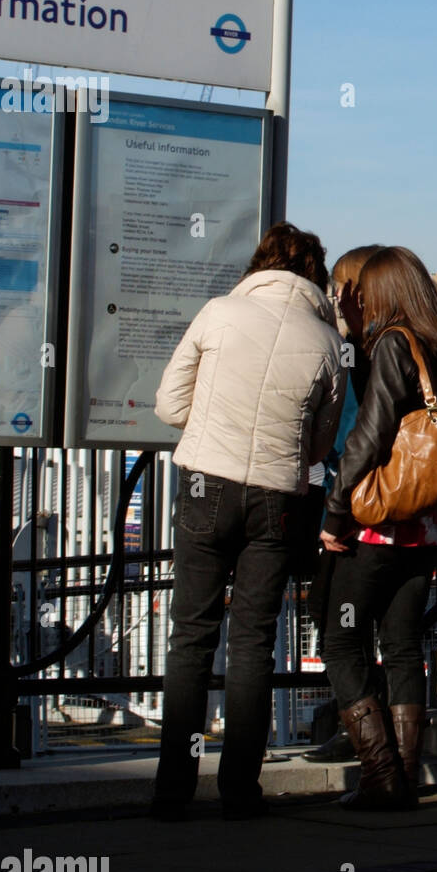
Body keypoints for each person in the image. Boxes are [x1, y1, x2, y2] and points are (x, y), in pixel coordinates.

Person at [150, 222, 346, 819]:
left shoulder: (218, 314)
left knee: (192, 638)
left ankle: (174, 789)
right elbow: (319, 446)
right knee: (255, 642)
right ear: (314, 276)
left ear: (260, 263)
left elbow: (168, 405)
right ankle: (240, 788)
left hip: (207, 483)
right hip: (276, 497)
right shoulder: (325, 343)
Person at [319, 246, 437, 810]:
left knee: (341, 642)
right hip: (429, 524)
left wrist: (336, 511)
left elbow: (370, 434)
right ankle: (405, 777)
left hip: (379, 524)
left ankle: (380, 775)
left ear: (384, 292)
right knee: (405, 646)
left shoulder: (392, 343)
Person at [302, 244, 384, 765]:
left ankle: (365, 740)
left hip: (353, 509)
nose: (334, 298)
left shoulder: (353, 352)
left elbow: (349, 434)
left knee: (336, 625)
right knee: (387, 635)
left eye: (339, 289)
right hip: (392, 512)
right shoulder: (398, 344)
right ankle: (384, 743)